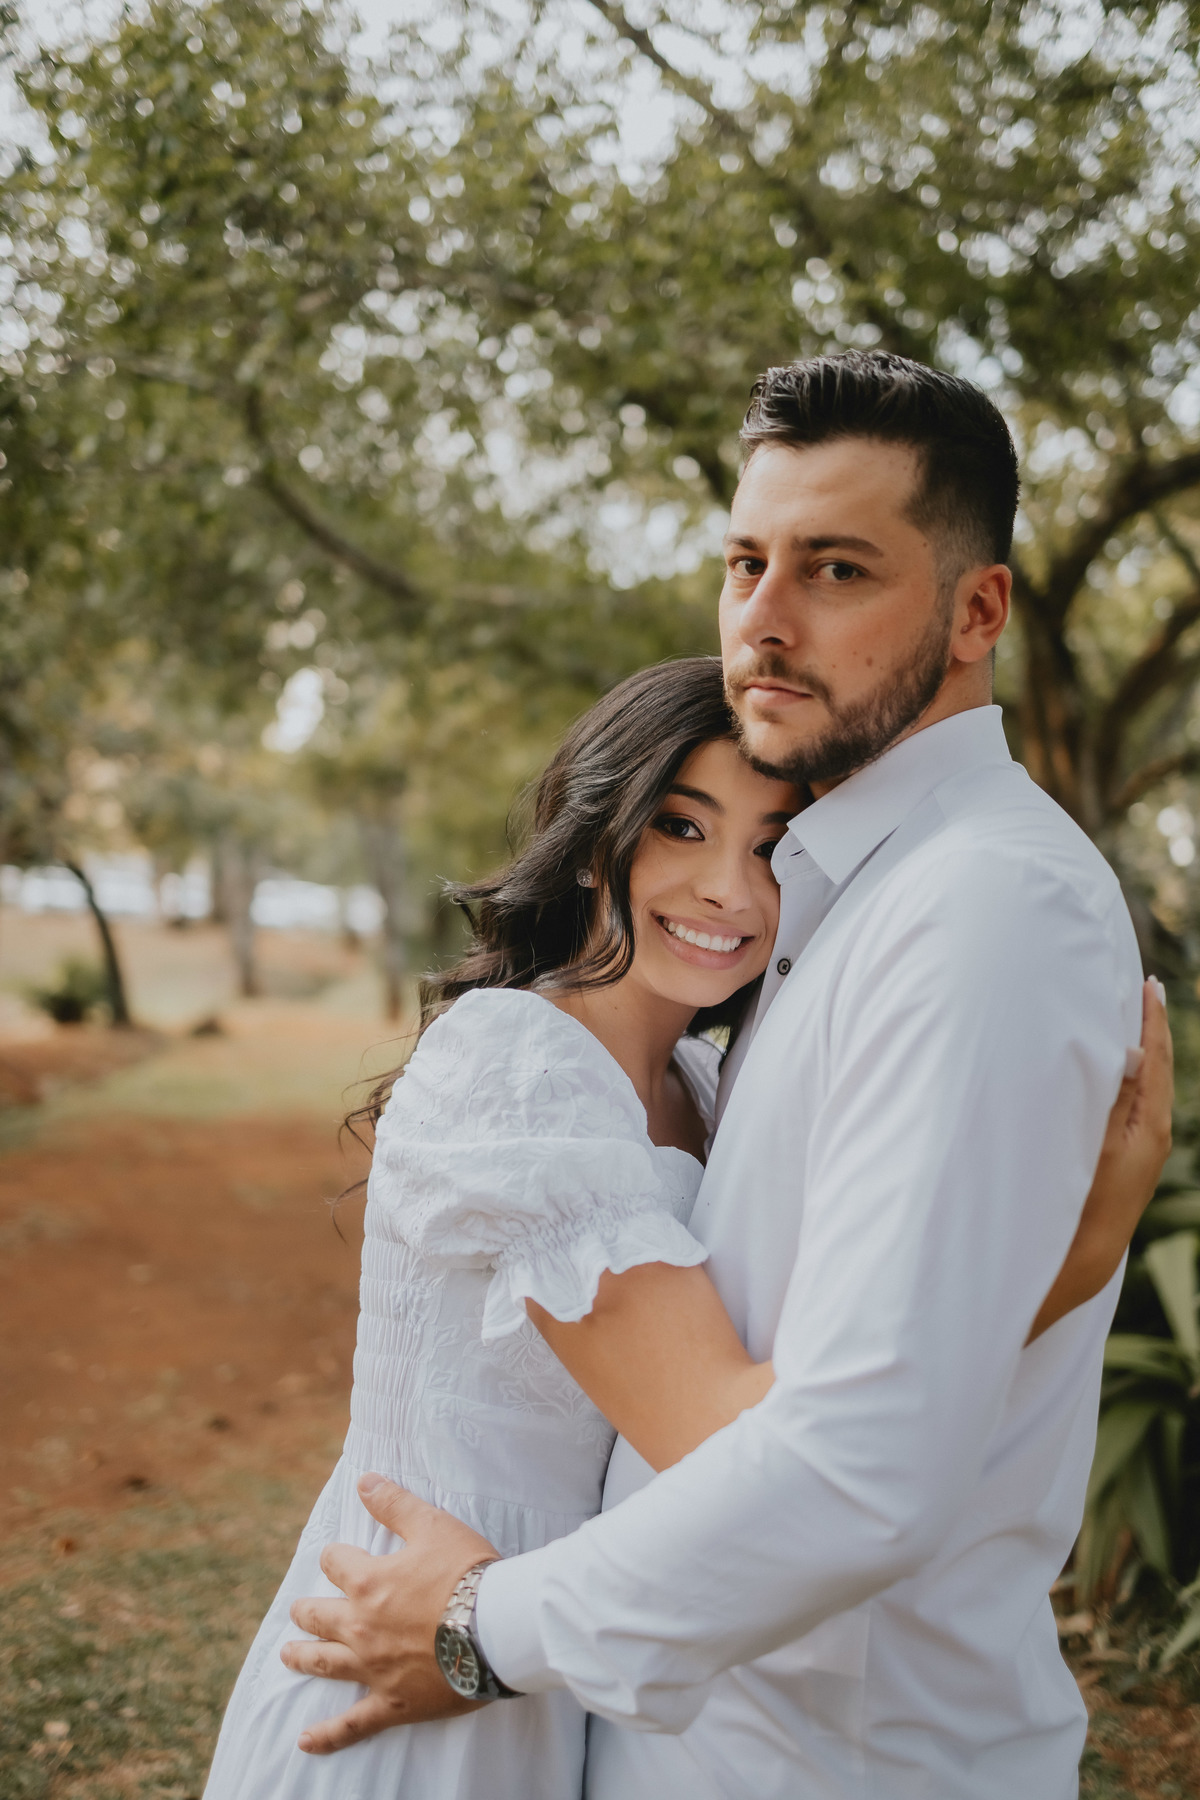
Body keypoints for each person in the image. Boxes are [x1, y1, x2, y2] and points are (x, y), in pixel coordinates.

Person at [280, 352, 1173, 1800]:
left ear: (978, 612)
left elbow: (864, 1453)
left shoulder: (983, 907)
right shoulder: (852, 890)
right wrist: (1069, 1261)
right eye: (746, 563)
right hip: (639, 1723)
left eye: (836, 569)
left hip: (831, 1755)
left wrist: (484, 1627)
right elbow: (861, 1367)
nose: (765, 616)